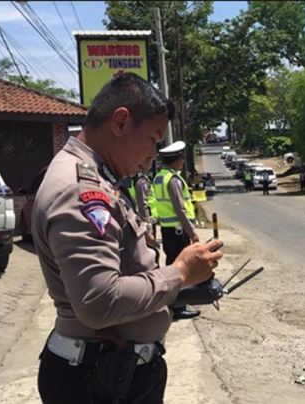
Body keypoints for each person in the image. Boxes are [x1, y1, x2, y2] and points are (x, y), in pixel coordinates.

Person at [32, 73, 224, 404]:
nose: (153, 154)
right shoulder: (82, 190)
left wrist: (180, 288)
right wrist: (179, 273)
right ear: (120, 122)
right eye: (152, 139)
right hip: (98, 380)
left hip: (112, 372)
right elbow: (99, 300)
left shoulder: (102, 178)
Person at [152, 140, 204, 320]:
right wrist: (193, 233)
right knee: (180, 268)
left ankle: (174, 302)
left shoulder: (159, 177)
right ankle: (179, 305)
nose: (183, 161)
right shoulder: (172, 180)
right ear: (176, 159)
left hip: (168, 229)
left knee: (172, 264)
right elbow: (180, 209)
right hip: (178, 230)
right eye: (181, 158)